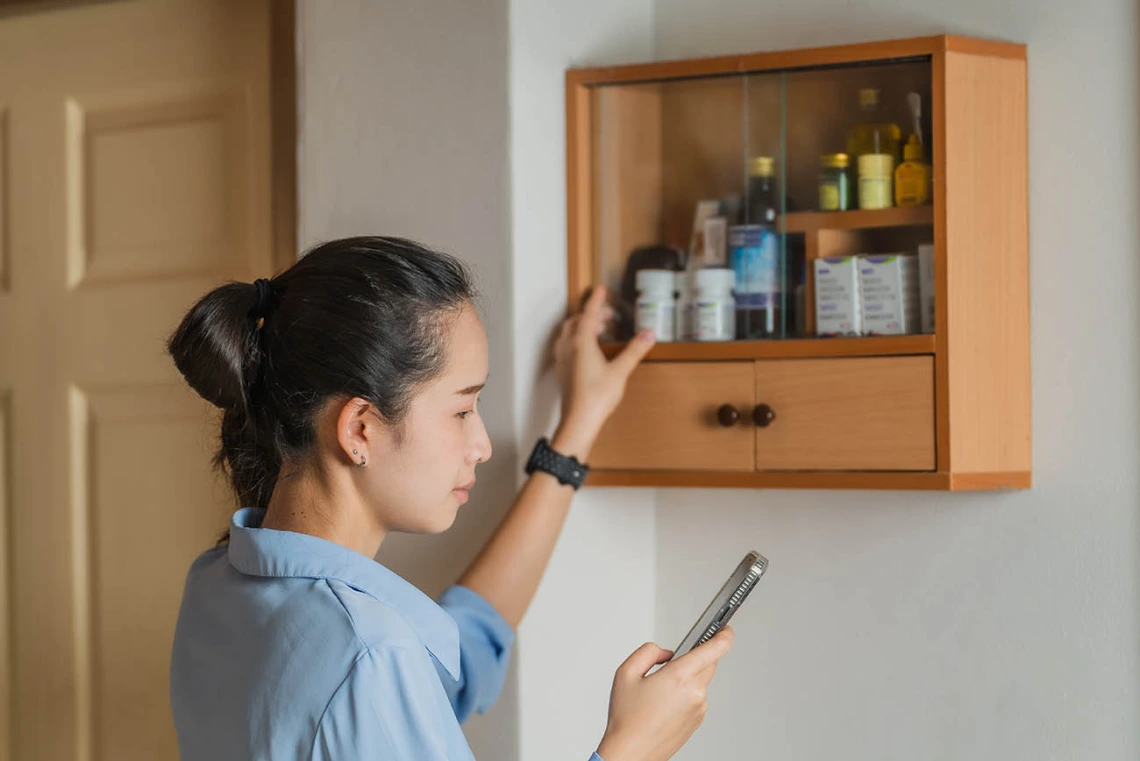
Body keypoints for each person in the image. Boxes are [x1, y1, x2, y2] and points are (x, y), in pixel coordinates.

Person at [166, 236, 734, 761]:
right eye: (462, 410)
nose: (481, 445)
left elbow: (462, 647)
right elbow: (386, 671)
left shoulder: (218, 583)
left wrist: (577, 428)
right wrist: (633, 748)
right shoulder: (372, 656)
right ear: (360, 428)